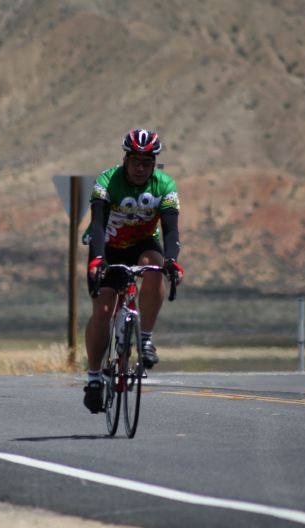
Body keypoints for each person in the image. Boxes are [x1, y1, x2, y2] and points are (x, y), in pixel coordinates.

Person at [82, 129, 184, 413]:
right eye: (136, 161)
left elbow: (171, 230)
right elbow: (99, 225)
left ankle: (146, 338)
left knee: (156, 266)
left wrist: (172, 260)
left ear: (154, 163)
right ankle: (93, 378)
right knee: (102, 312)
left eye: (147, 162)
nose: (141, 168)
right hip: (108, 246)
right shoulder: (107, 181)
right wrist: (97, 260)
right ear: (125, 160)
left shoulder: (164, 185)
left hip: (142, 244)